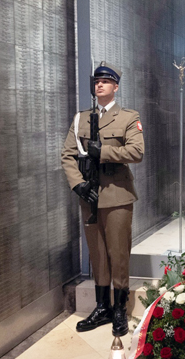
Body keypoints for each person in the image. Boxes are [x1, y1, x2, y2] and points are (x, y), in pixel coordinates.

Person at [61, 62, 144, 336]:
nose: (99, 84)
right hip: (90, 196)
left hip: (117, 195)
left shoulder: (128, 117)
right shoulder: (81, 119)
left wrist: (104, 151)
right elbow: (68, 155)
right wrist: (78, 185)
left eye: (106, 81)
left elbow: (137, 151)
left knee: (118, 254)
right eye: (97, 81)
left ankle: (119, 308)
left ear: (115, 87)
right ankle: (102, 307)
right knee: (97, 254)